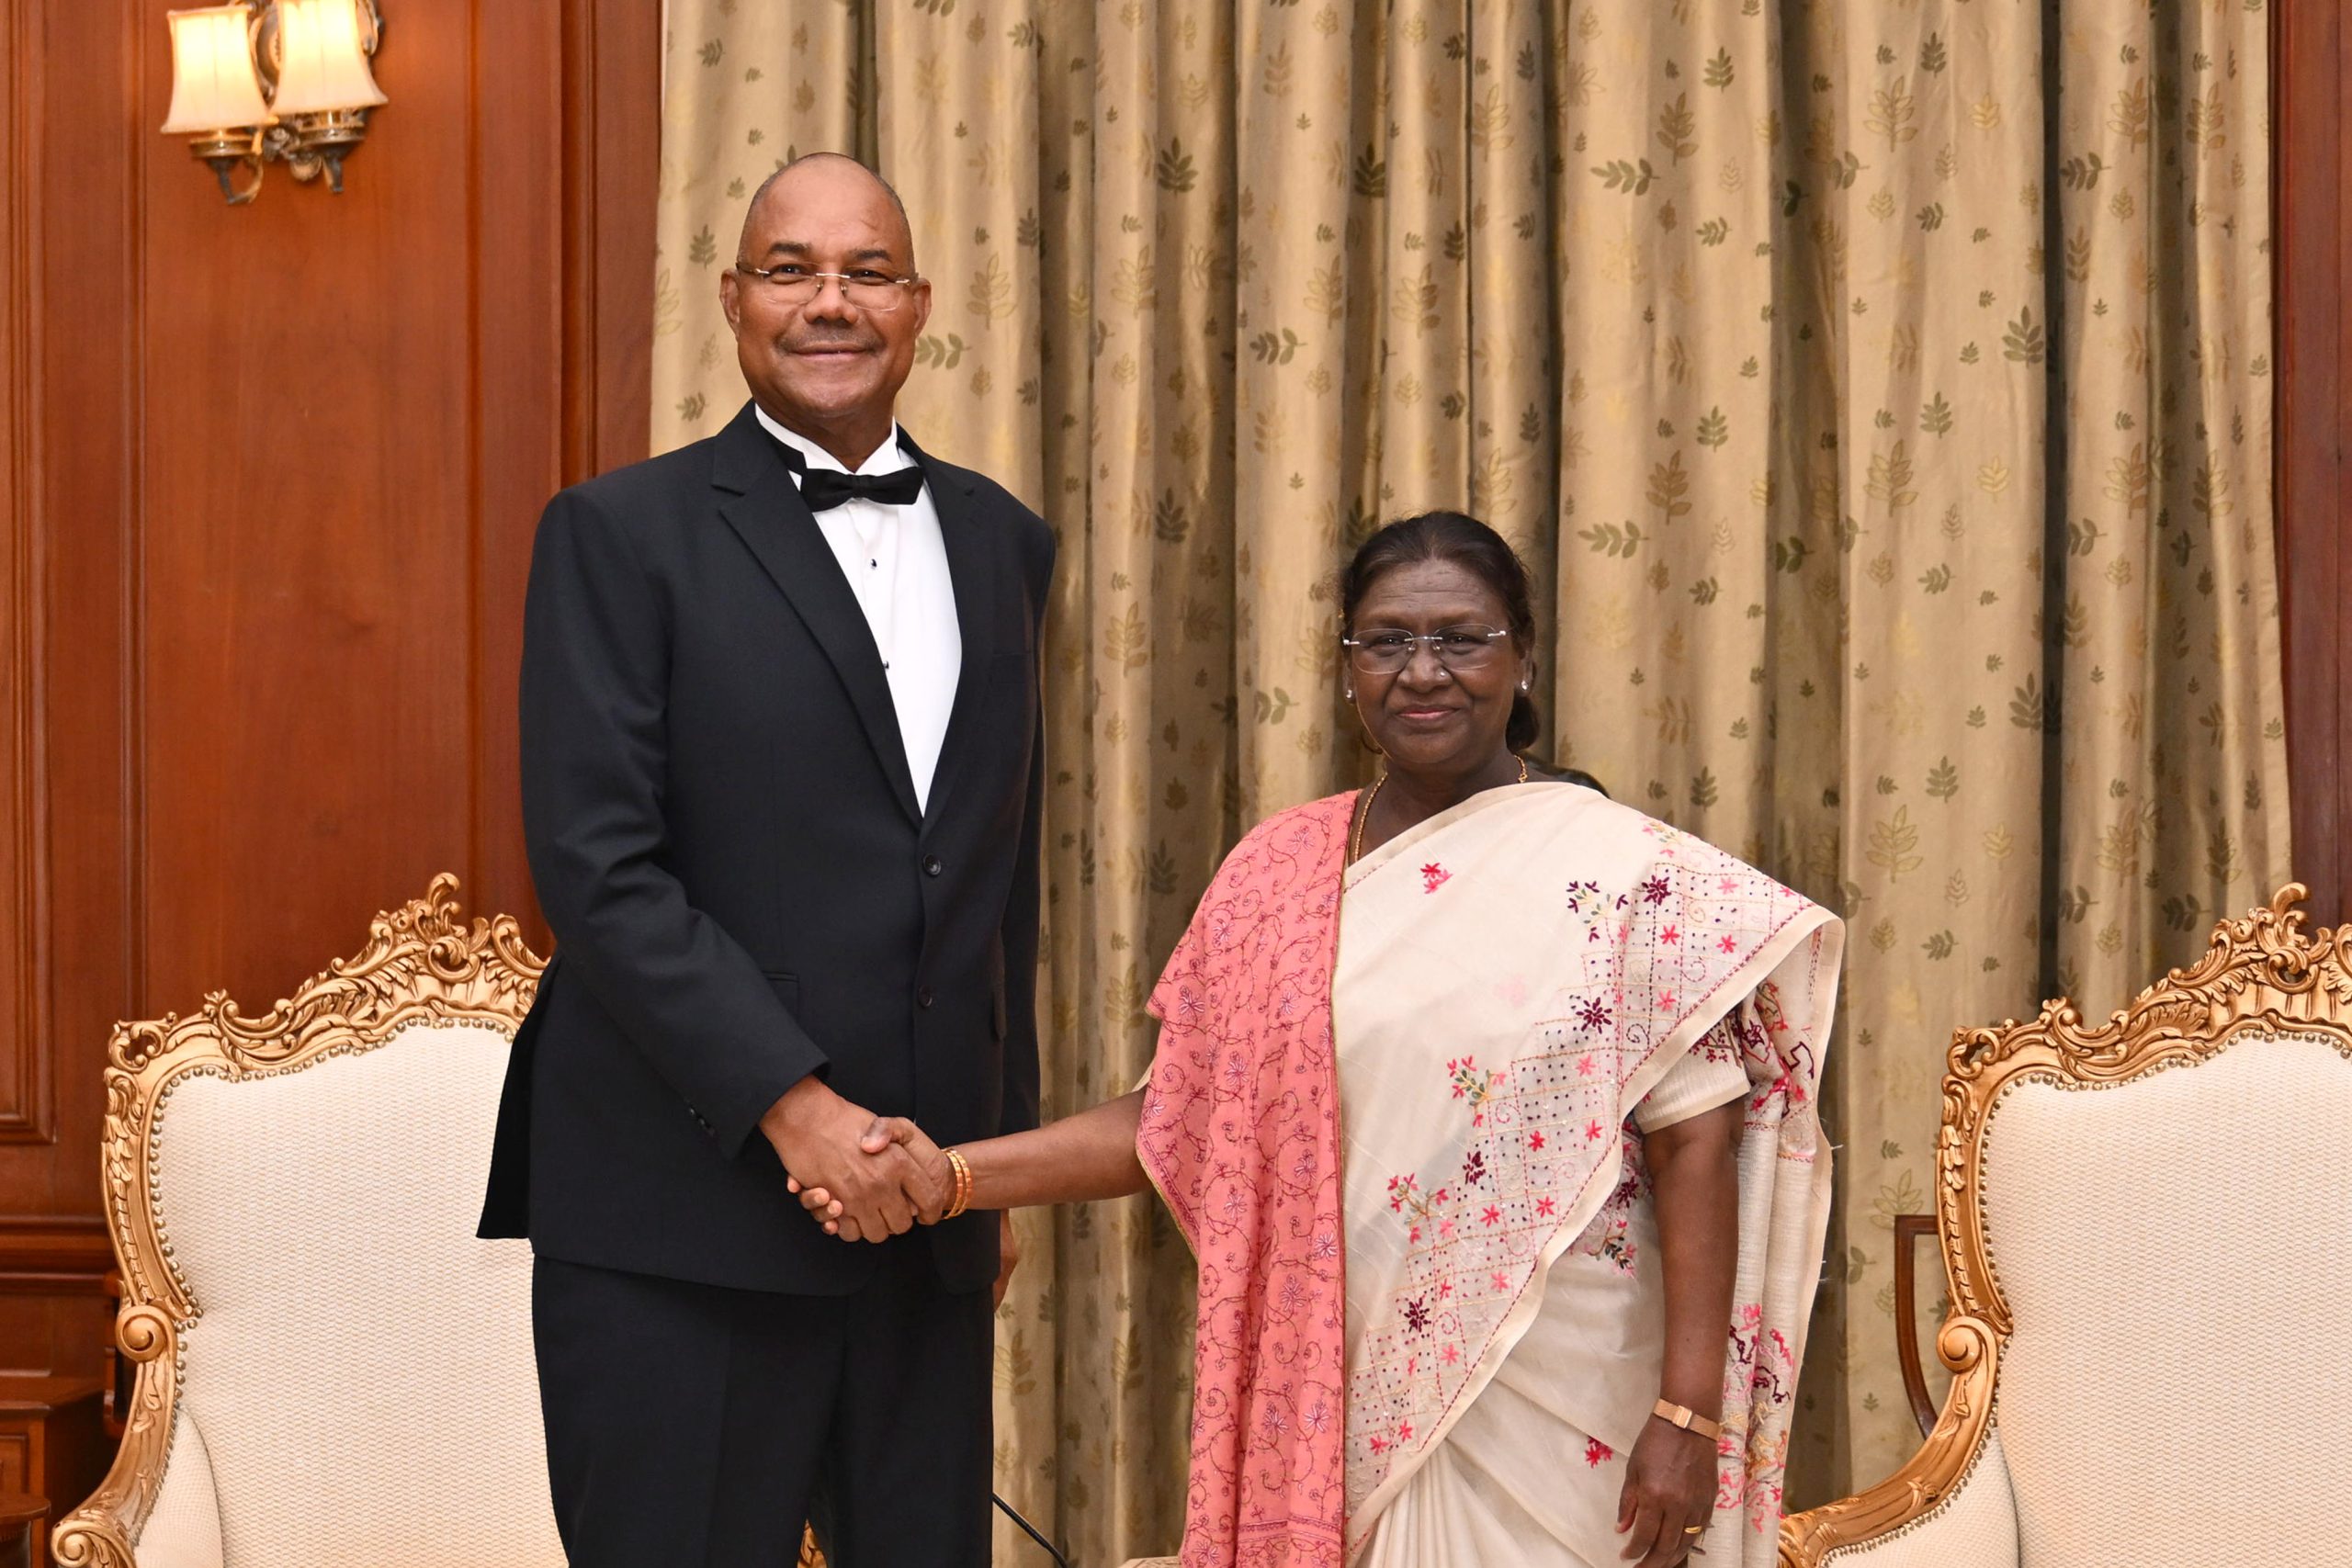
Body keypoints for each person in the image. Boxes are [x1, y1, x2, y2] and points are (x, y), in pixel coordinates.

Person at [797, 513, 1842, 1568]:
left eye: (1462, 638)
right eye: (1385, 640)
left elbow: (1692, 1144)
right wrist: (951, 1177)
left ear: (1523, 654)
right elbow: (1175, 1120)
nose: (1422, 671)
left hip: (1565, 1390)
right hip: (1331, 1392)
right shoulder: (1276, 874)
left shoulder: (1618, 873)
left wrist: (1688, 1414)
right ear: (1347, 668)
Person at [477, 152, 1054, 1568]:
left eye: (865, 271)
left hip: (925, 1209)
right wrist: (801, 1115)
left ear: (919, 305)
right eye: (790, 269)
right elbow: (602, 867)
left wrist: (1000, 1166)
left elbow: (999, 879)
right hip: (681, 1214)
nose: (829, 302)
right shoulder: (617, 533)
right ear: (733, 301)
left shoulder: (1004, 541)